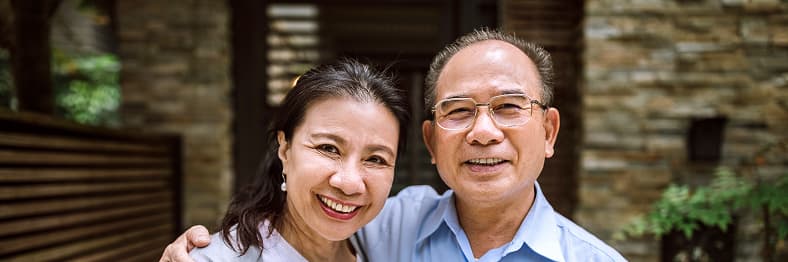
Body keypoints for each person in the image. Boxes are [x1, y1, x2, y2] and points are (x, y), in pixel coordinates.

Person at [161, 28, 627, 261]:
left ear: (548, 132)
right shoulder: (393, 224)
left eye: (508, 106)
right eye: (459, 110)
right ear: (430, 140)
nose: (483, 132)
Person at [186, 58, 410, 261]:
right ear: (284, 148)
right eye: (329, 148)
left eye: (376, 159)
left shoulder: (392, 246)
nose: (350, 184)